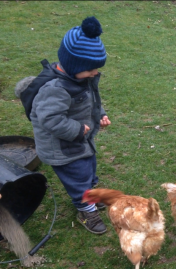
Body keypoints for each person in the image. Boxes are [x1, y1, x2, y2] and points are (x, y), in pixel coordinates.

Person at [28, 16, 111, 234]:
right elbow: (50, 119)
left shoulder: (80, 79)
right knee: (77, 178)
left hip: (80, 142)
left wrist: (99, 114)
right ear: (75, 65)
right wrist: (76, 129)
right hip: (63, 148)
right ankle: (85, 209)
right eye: (91, 69)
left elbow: (91, 101)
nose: (95, 73)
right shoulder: (55, 90)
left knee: (88, 170)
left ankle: (89, 196)